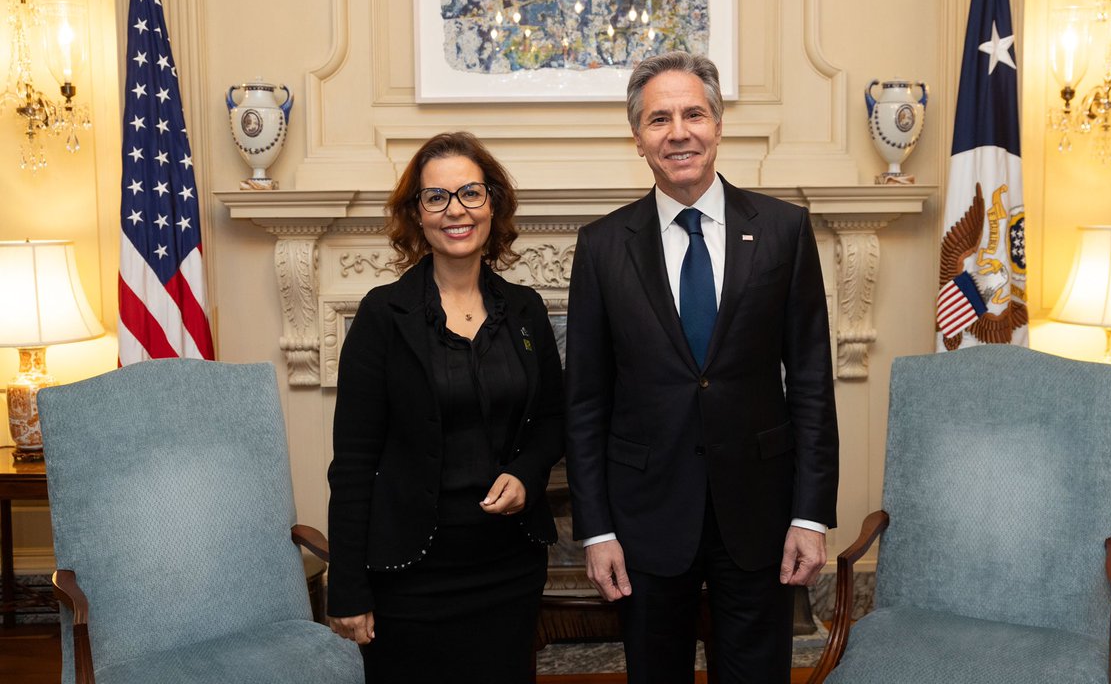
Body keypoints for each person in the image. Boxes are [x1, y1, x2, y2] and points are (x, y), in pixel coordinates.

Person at [565, 51, 839, 684]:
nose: (678, 132)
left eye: (694, 114)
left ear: (718, 125)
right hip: (644, 516)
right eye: (659, 119)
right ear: (638, 139)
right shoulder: (602, 247)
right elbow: (585, 402)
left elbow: (811, 386)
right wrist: (596, 530)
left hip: (760, 511)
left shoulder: (782, 231)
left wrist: (809, 514)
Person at [326, 132, 564, 683]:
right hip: (411, 576)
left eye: (470, 194)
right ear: (417, 214)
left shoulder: (526, 310)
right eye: (437, 198)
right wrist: (348, 588)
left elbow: (553, 420)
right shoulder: (382, 316)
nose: (455, 211)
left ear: (493, 203)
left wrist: (527, 475)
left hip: (509, 567)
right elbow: (354, 461)